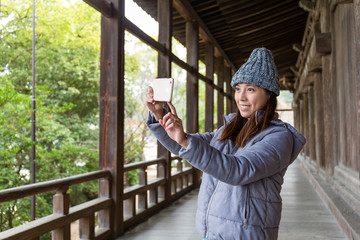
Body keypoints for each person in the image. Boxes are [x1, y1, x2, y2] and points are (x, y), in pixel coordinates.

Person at [145, 47, 306, 240]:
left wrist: (185, 140)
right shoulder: (228, 130)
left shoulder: (279, 137)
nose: (241, 96)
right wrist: (159, 115)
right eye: (238, 88)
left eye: (251, 89)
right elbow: (185, 145)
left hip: (246, 234)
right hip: (212, 233)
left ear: (269, 95)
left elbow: (239, 169)